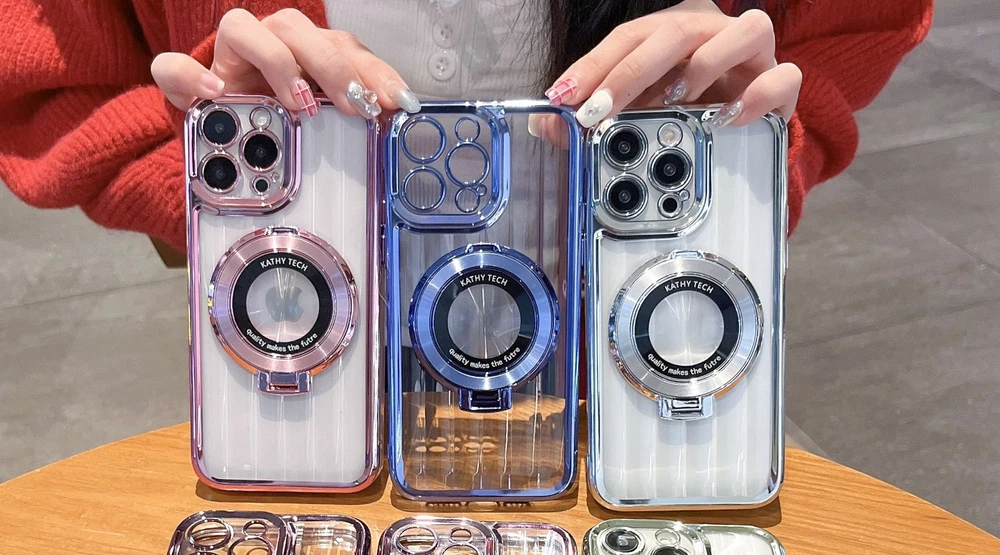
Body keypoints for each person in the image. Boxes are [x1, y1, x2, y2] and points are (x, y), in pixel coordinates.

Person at [0, 0, 932, 252]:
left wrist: (740, 152)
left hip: (652, 355)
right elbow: (48, 82)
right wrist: (225, 165)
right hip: (301, 362)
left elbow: (844, 36)